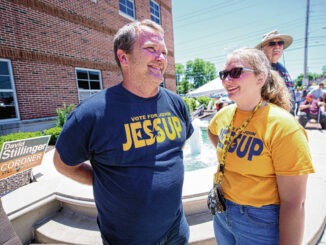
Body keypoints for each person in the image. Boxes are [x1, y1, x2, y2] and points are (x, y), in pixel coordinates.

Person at [53, 19, 194, 245]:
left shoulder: (177, 104)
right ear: (123, 57)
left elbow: (179, 148)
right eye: (151, 49)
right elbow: (63, 164)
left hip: (176, 230)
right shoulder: (92, 113)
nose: (161, 58)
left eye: (164, 52)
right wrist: (103, 181)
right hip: (127, 239)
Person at [208, 48, 314, 245]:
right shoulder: (224, 115)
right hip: (223, 213)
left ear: (260, 78)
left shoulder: (284, 127)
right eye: (224, 74)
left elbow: (294, 203)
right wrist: (230, 158)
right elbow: (212, 132)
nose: (227, 80)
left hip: (260, 220)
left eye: (236, 72)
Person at [255, 30, 296, 115]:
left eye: (280, 43)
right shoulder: (259, 69)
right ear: (262, 48)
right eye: (272, 43)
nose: (277, 46)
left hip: (286, 119)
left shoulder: (282, 68)